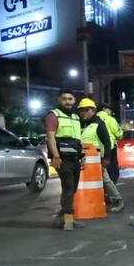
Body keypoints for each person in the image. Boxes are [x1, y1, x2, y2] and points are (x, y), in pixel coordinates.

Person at [44, 90, 86, 230]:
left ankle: (62, 217)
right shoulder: (53, 115)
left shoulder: (75, 117)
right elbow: (50, 137)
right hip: (62, 159)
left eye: (70, 99)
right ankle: (68, 221)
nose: (67, 102)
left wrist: (82, 156)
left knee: (72, 189)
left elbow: (78, 140)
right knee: (68, 189)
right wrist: (55, 156)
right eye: (64, 99)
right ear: (59, 100)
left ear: (74, 101)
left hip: (74, 159)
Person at [75, 98, 125, 212]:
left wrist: (106, 158)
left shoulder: (99, 124)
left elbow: (107, 142)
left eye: (86, 110)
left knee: (105, 179)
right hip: (84, 158)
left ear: (93, 110)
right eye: (81, 110)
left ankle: (119, 200)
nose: (83, 113)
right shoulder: (83, 123)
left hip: (97, 159)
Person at [98, 106, 123, 183]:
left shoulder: (94, 119)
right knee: (113, 172)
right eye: (109, 109)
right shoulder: (110, 119)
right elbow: (118, 134)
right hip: (109, 149)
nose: (110, 112)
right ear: (104, 109)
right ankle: (110, 192)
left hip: (96, 149)